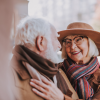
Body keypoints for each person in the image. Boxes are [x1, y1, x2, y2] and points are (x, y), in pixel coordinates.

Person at [10, 16, 79, 100]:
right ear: (41, 42)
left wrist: (62, 98)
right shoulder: (7, 77)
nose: (59, 46)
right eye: (55, 38)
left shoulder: (58, 72)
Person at [30, 22, 100, 100]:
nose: (72, 46)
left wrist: (62, 98)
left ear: (90, 43)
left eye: (79, 39)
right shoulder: (53, 70)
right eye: (68, 41)